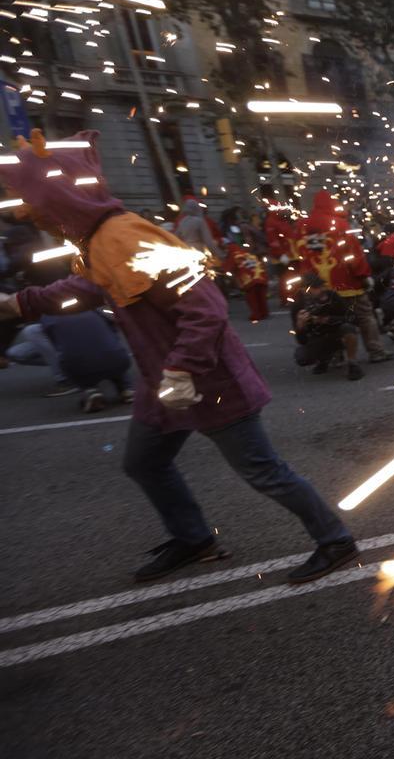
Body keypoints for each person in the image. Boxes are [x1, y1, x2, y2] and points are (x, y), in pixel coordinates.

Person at [0, 130, 358, 584]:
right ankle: (194, 539)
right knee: (143, 462)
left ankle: (335, 540)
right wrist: (20, 303)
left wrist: (181, 369)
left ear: (58, 195)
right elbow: (89, 287)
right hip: (162, 384)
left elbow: (206, 309)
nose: (28, 214)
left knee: (264, 472)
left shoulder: (124, 235)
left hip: (208, 383)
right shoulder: (100, 240)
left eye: (29, 201)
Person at [293, 190, 393, 364]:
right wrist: (363, 275)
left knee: (328, 319)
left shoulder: (304, 226)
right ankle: (375, 351)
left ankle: (336, 355)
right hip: (348, 285)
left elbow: (302, 256)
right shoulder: (339, 224)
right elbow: (353, 254)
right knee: (364, 316)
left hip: (320, 288)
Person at [291, 273, 363, 380]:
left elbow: (354, 319)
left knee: (348, 328)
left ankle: (352, 363)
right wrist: (300, 326)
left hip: (337, 332)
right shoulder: (298, 305)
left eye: (318, 287)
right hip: (318, 337)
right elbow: (302, 341)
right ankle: (324, 359)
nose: (319, 291)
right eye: (314, 288)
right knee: (302, 357)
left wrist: (328, 319)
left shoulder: (332, 297)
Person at [223, 241, 270, 323]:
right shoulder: (247, 253)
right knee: (261, 296)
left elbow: (227, 268)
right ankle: (264, 312)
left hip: (249, 279)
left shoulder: (233, 255)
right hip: (260, 275)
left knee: (252, 298)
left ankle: (256, 314)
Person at [175, 198, 224, 263]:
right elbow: (208, 241)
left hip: (187, 251)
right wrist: (220, 255)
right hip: (198, 251)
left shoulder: (182, 222)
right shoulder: (199, 221)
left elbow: (176, 238)